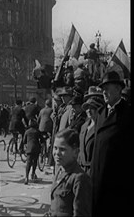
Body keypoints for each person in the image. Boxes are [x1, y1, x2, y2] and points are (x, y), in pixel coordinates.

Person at [90, 71, 131, 217]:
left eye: (108, 88)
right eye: (103, 89)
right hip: (96, 180)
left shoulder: (127, 113)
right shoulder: (101, 113)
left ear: (119, 89)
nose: (104, 92)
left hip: (116, 183)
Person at [50, 128, 92, 217]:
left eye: (62, 149)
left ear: (75, 152)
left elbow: (81, 213)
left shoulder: (79, 178)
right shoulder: (60, 171)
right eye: (55, 148)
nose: (57, 153)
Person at [78, 96, 104, 175]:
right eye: (87, 108)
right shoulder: (84, 126)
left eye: (92, 108)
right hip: (82, 169)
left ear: (99, 109)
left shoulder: (102, 126)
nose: (88, 110)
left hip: (95, 170)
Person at [22, 119, 43, 185]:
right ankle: (33, 173)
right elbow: (42, 140)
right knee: (35, 161)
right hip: (36, 148)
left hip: (29, 149)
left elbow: (24, 141)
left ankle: (26, 177)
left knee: (28, 163)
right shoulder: (37, 131)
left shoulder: (27, 131)